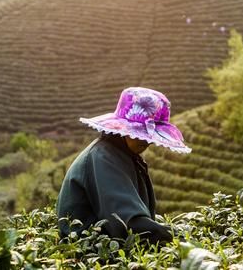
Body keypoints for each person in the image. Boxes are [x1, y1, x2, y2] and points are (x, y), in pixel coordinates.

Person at [56, 86, 191, 244]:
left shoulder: (123, 155)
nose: (146, 141)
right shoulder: (103, 159)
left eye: (149, 137)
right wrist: (182, 240)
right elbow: (130, 224)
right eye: (139, 135)